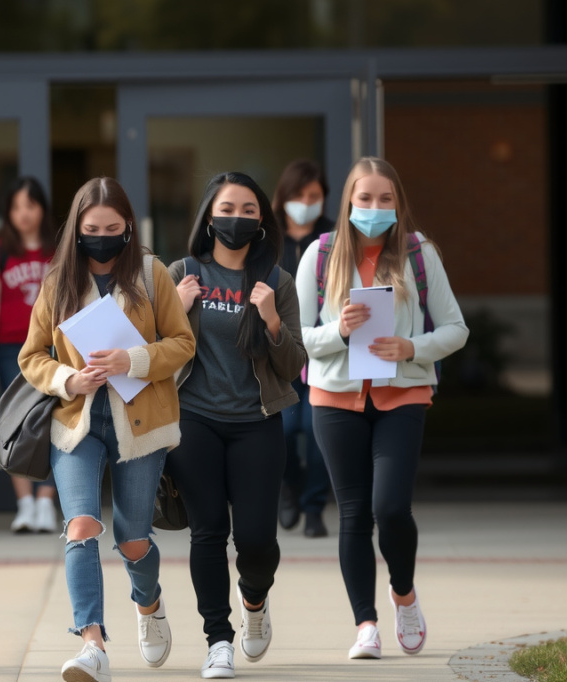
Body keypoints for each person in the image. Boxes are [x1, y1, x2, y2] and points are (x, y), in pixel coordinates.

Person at [18, 177, 195, 682]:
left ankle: (148, 602)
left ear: (128, 227)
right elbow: (31, 356)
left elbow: (182, 342)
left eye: (111, 228)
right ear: (76, 230)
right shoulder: (58, 281)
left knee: (133, 538)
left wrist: (132, 359)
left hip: (141, 425)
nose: (100, 238)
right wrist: (68, 378)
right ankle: (91, 644)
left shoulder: (151, 273)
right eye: (91, 229)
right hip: (76, 425)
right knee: (80, 526)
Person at [294, 156, 468, 660]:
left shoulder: (419, 253)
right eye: (365, 198)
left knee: (390, 508)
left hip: (402, 395)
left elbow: (456, 329)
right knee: (353, 514)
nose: (374, 207)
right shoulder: (320, 255)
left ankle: (404, 595)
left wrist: (411, 347)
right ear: (349, 201)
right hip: (335, 398)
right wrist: (340, 331)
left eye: (385, 198)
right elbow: (296, 338)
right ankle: (365, 625)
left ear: (398, 203)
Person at [166, 171, 306, 679]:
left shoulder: (277, 282)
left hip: (256, 422)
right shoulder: (182, 273)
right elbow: (151, 349)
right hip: (194, 419)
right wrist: (177, 310)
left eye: (248, 210)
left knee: (256, 540)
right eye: (227, 209)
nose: (237, 218)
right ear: (209, 215)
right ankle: (218, 640)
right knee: (207, 532)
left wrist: (271, 320)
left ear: (262, 219)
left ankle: (254, 600)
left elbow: (293, 364)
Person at [0, 176, 59, 533]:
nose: (23, 213)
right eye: (16, 207)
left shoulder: (57, 249)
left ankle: (45, 502)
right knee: (14, 422)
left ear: (42, 208)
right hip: (9, 347)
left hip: (52, 347)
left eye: (30, 205)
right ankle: (25, 504)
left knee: (51, 421)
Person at [271, 159, 335, 538]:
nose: (306, 203)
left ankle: (313, 507)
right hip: (279, 352)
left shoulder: (333, 238)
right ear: (284, 196)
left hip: (323, 350)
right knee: (281, 430)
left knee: (316, 432)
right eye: (299, 195)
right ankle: (288, 487)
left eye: (314, 196)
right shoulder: (268, 238)